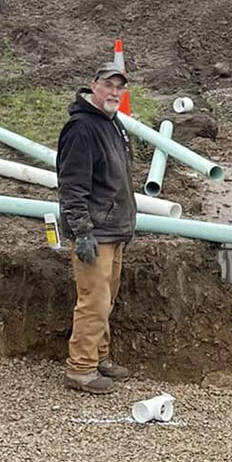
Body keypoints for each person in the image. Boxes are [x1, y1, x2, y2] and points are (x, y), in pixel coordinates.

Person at [58, 65, 136, 395]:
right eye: (108, 85)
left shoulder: (112, 123)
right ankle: (80, 369)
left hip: (114, 229)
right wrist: (82, 231)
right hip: (96, 232)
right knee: (94, 301)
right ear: (93, 87)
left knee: (107, 299)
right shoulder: (81, 129)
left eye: (119, 87)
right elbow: (72, 187)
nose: (114, 92)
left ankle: (99, 357)